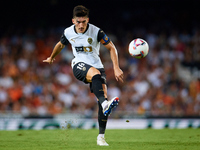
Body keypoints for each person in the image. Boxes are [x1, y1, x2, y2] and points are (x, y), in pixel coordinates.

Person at [43, 5, 123, 146]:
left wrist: (116, 67)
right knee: (97, 78)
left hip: (97, 65)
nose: (81, 25)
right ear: (73, 21)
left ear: (88, 20)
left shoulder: (96, 31)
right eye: (78, 22)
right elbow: (60, 45)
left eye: (83, 22)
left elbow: (111, 47)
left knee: (101, 97)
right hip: (78, 65)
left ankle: (101, 137)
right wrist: (51, 57)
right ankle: (105, 104)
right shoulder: (68, 32)